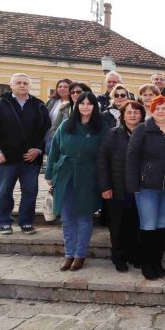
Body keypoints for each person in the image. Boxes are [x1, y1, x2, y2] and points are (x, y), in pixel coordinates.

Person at [0, 73, 51, 236]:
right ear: (10, 85)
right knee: (4, 191)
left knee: (30, 192)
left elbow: (46, 131)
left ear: (30, 86)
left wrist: (39, 149)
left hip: (31, 158)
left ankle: (26, 222)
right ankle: (4, 222)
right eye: (18, 83)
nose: (22, 85)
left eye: (25, 83)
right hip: (6, 158)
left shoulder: (39, 106)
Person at [45, 92, 108, 271]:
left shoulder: (101, 127)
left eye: (90, 103)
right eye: (82, 103)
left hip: (89, 176)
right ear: (77, 105)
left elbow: (104, 156)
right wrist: (49, 175)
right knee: (67, 218)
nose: (85, 106)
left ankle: (80, 254)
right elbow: (54, 151)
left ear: (95, 107)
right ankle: (69, 253)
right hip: (65, 174)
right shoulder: (66, 125)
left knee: (84, 216)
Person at [126, 96, 165, 280]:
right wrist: (133, 184)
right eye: (157, 108)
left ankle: (157, 263)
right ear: (151, 110)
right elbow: (132, 157)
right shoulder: (143, 129)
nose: (160, 111)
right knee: (148, 226)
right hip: (146, 187)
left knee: (161, 227)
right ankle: (146, 264)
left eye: (164, 108)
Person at [98, 99, 145, 272]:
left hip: (140, 189)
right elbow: (102, 160)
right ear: (123, 116)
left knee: (137, 225)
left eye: (136, 112)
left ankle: (135, 256)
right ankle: (119, 258)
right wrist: (105, 186)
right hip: (117, 189)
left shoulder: (146, 133)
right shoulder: (113, 134)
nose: (133, 115)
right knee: (118, 226)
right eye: (129, 112)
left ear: (142, 115)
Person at [45, 78, 72, 153]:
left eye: (66, 87)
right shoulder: (52, 102)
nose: (62, 88)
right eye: (60, 87)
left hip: (62, 135)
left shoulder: (73, 103)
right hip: (49, 133)